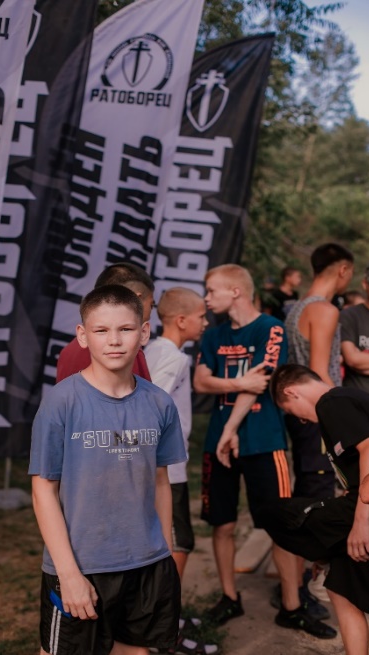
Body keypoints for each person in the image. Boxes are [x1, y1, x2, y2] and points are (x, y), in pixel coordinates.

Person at [29, 285, 187, 655]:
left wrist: (162, 553)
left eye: (126, 329)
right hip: (82, 563)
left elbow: (161, 482)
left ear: (144, 332)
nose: (114, 341)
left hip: (146, 562)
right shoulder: (60, 403)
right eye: (101, 331)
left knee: (136, 650)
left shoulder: (160, 404)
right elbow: (43, 490)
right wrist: (68, 574)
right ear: (83, 336)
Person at [193, 264, 335, 638]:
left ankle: (291, 605)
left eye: (211, 291)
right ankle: (229, 596)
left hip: (263, 442)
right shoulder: (214, 334)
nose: (206, 299)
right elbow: (201, 380)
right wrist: (237, 382)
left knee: (281, 525)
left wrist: (229, 427)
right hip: (219, 445)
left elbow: (261, 384)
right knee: (221, 523)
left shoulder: (270, 327)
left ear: (235, 291)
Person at [264, 364, 369, 655]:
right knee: (340, 589)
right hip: (364, 502)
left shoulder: (332, 401)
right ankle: (331, 552)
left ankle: (328, 549)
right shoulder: (343, 404)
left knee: (275, 512)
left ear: (291, 392)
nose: (301, 421)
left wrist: (361, 521)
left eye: (292, 412)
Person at [145, 287, 208, 580]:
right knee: (179, 541)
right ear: (181, 320)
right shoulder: (175, 358)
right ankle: (168, 620)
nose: (205, 322)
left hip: (161, 465)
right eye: (201, 316)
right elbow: (152, 403)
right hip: (168, 468)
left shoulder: (153, 350)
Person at [285, 243, 354, 500]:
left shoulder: (297, 308)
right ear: (344, 270)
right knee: (319, 495)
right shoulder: (325, 310)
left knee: (308, 487)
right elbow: (319, 372)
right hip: (318, 414)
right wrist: (348, 413)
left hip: (298, 412)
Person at [56, 262, 155, 383]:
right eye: (151, 305)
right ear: (137, 299)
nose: (150, 315)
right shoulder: (124, 352)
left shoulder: (68, 351)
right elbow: (140, 400)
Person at [340, 261, 369, 397]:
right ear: (365, 284)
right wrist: (356, 360)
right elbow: (352, 359)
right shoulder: (349, 316)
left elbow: (357, 360)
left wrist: (363, 363)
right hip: (357, 404)